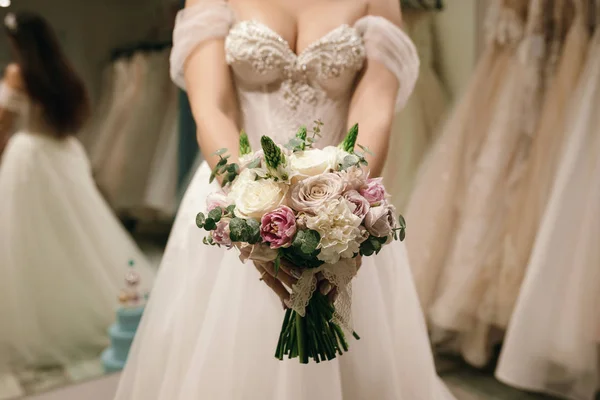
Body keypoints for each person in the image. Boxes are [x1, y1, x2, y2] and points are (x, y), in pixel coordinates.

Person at [114, 0, 455, 398]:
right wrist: (250, 214)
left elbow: (375, 109)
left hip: (341, 202)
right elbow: (212, 108)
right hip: (236, 193)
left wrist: (340, 210)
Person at [0, 11, 155, 370]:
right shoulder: (62, 74)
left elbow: (2, 126)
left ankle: (44, 321)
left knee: (30, 243)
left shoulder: (16, 74)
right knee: (74, 235)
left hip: (30, 158)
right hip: (62, 153)